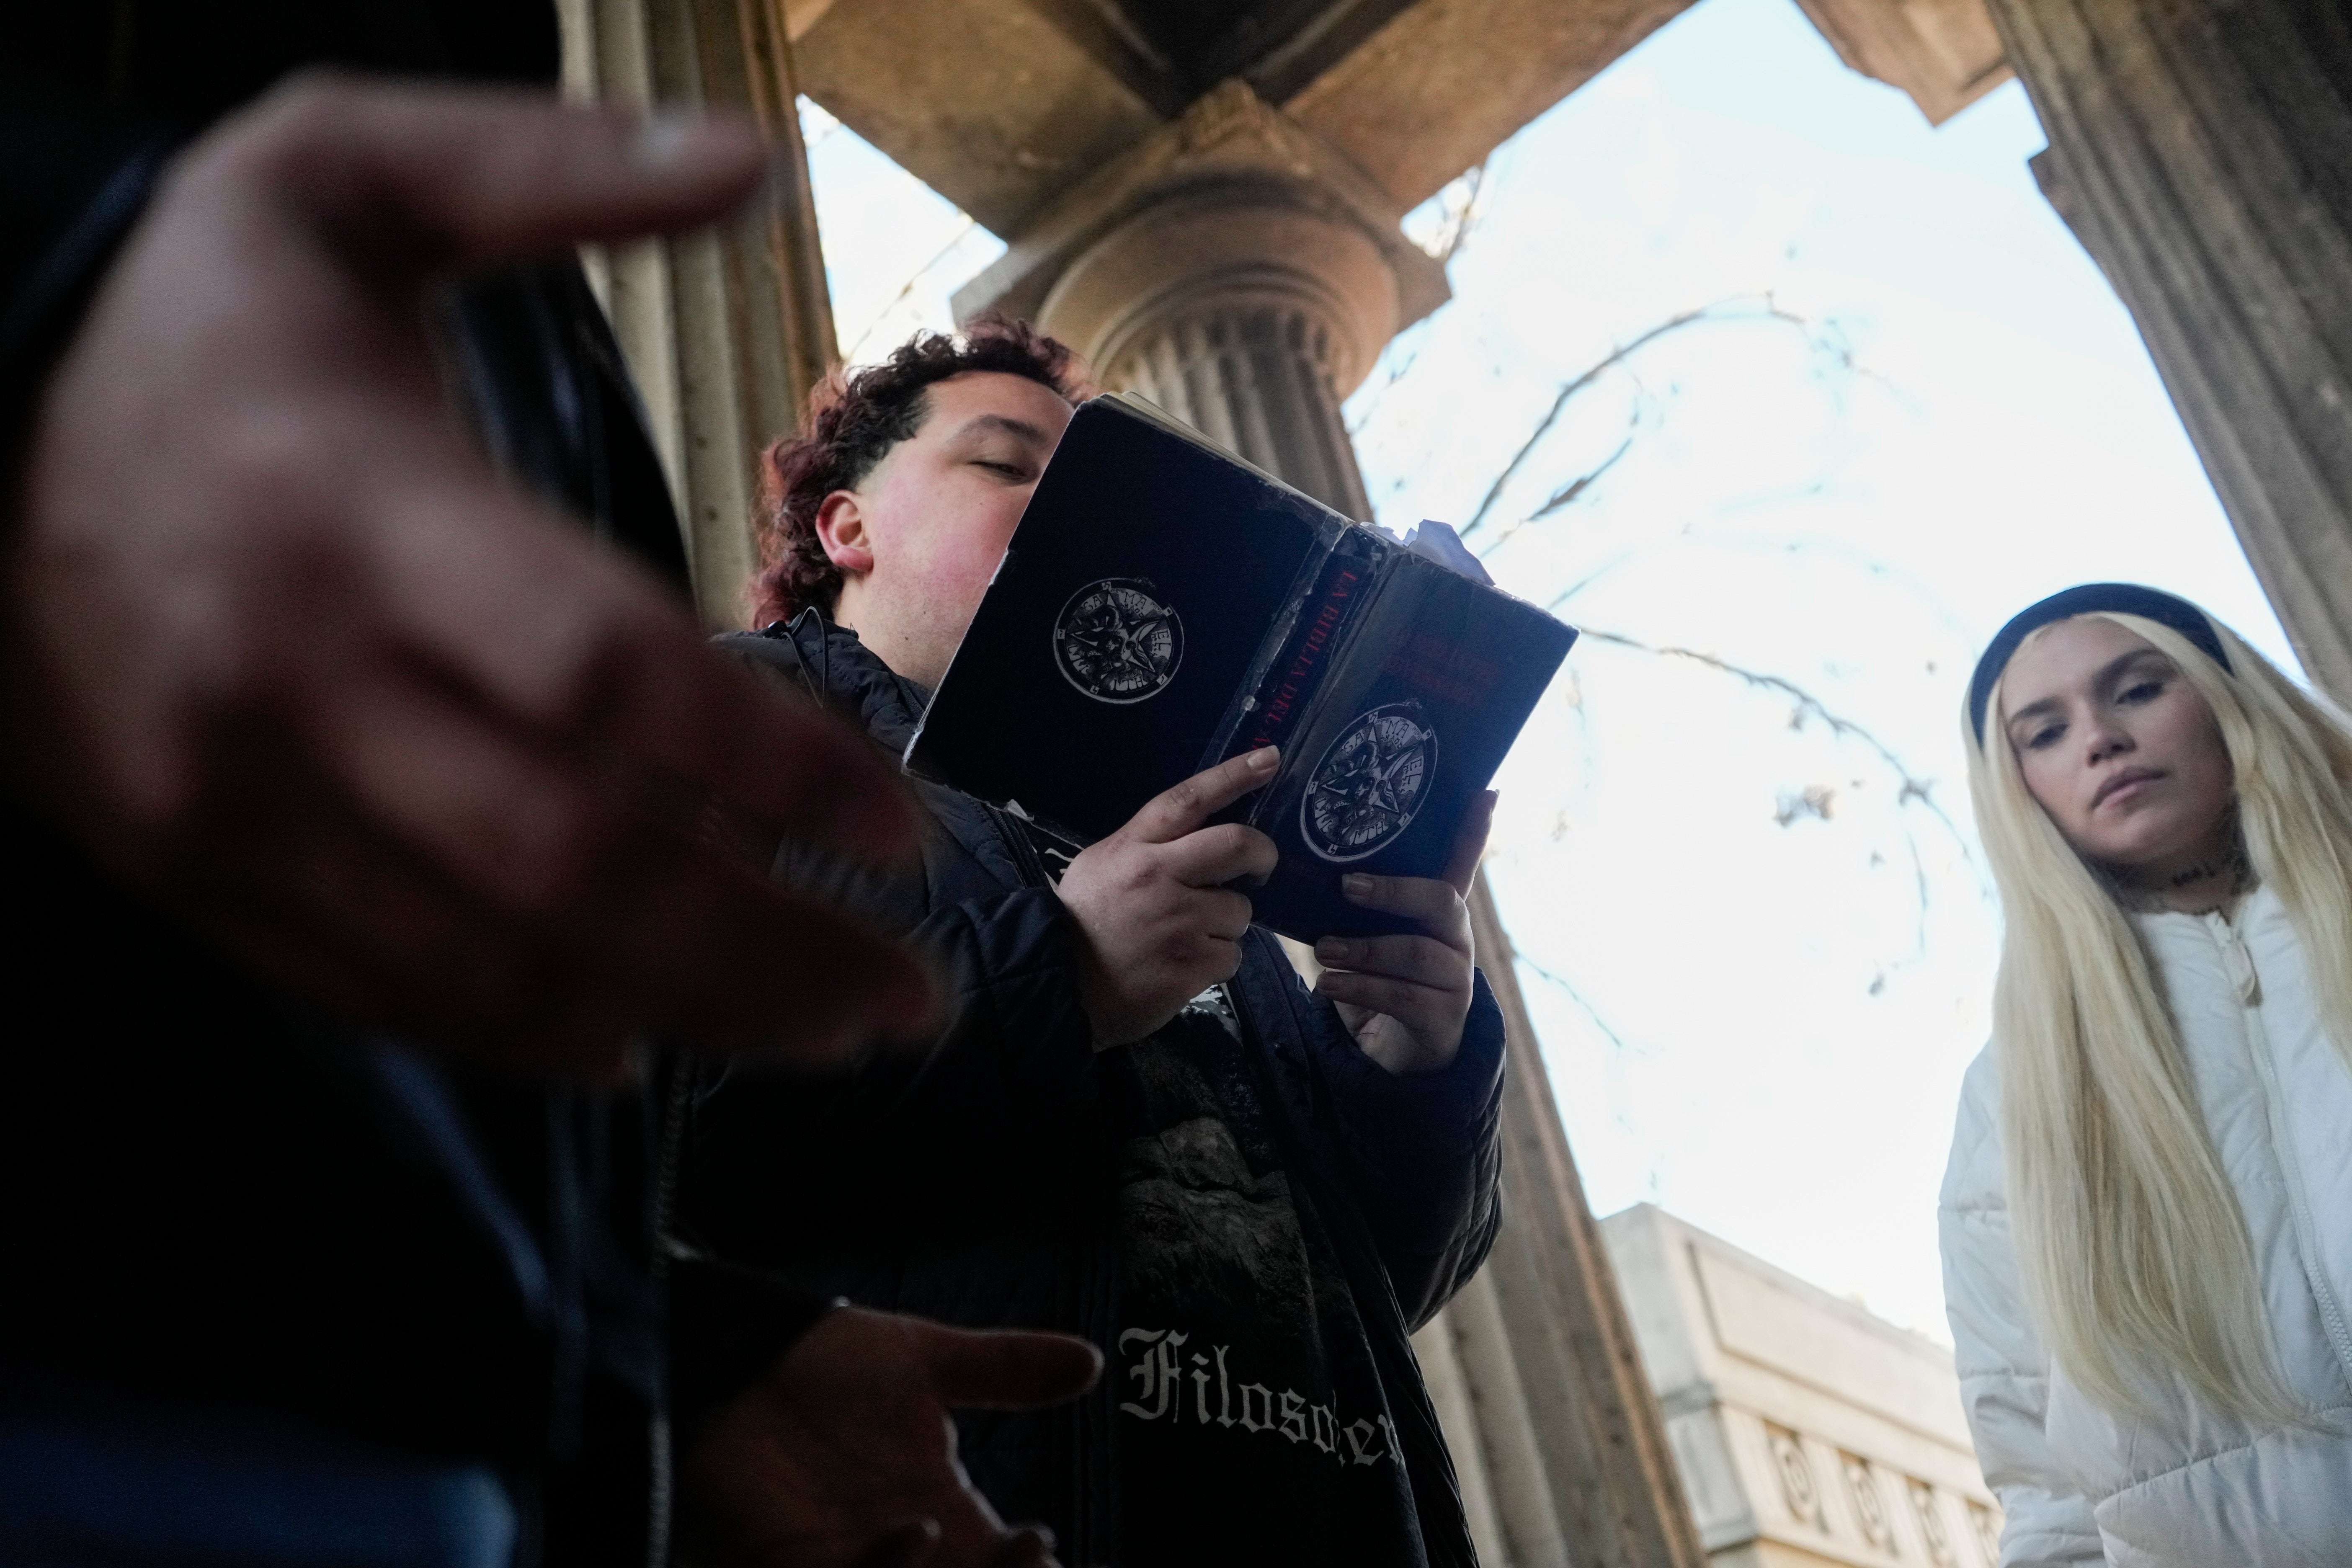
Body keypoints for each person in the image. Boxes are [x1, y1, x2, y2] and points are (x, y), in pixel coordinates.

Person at [3, 11, 1094, 1565]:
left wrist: (681, 1361)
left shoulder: (533, 328)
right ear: (843, 527)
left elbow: (482, 1064)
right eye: (1010, 467)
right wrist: (56, 314)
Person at [674, 320, 1508, 1568]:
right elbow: (623, 1120)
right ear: (849, 528)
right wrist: (1057, 979)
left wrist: (1417, 1077)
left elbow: (1380, 1291)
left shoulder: (1188, 825)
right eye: (1009, 466)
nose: (1072, 513)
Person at [1938, 583, 2352, 1567]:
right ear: (2019, 789)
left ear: (2223, 698)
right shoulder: (2017, 1093)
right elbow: (2044, 1488)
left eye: (2135, 689)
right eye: (2044, 731)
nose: (2099, 738)